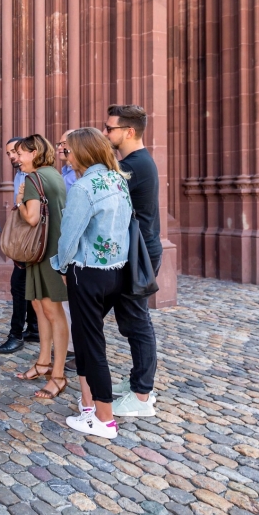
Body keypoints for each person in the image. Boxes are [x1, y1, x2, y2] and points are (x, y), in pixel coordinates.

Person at [51, 128, 132, 438]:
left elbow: (69, 236)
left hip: (87, 272)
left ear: (83, 153)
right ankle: (88, 406)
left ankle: (104, 418)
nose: (65, 156)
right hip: (116, 271)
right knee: (85, 337)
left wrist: (60, 264)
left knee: (92, 343)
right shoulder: (118, 180)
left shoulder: (84, 188)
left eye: (68, 151)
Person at [103, 104, 162, 417]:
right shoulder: (134, 161)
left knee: (137, 323)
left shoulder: (135, 165)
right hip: (139, 250)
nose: (105, 133)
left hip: (140, 254)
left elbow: (107, 198)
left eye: (110, 128)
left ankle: (141, 395)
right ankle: (140, 387)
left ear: (128, 131)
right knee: (132, 321)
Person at [15, 134, 69, 399]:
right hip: (48, 250)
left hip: (45, 252)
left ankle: (58, 375)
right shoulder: (54, 174)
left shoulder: (33, 179)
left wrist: (19, 203)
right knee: (40, 306)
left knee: (51, 310)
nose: (17, 158)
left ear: (34, 153)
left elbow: (33, 218)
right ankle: (43, 363)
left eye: (21, 153)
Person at [0, 138, 39, 354]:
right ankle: (34, 329)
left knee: (19, 286)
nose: (12, 156)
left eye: (15, 152)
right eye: (9, 153)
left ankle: (15, 335)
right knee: (26, 285)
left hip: (33, 240)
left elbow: (33, 215)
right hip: (23, 237)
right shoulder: (19, 175)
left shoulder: (35, 176)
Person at [56, 130, 77, 371]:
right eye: (59, 143)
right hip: (64, 238)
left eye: (65, 143)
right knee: (66, 300)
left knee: (73, 300)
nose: (60, 147)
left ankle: (77, 349)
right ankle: (71, 346)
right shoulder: (64, 172)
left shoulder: (79, 175)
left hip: (74, 241)